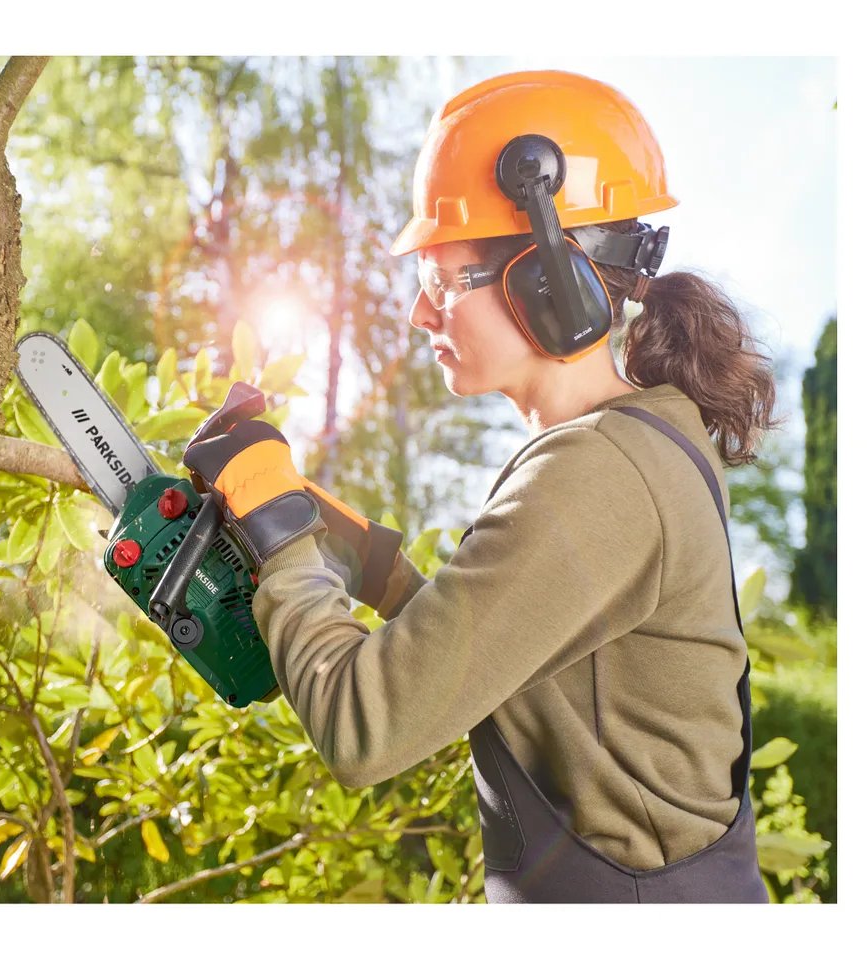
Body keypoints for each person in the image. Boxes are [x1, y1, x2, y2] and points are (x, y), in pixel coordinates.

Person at [182, 70, 780, 903]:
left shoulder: (598, 475)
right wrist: (341, 544)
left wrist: (280, 536)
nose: (421, 315)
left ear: (548, 280)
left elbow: (365, 725)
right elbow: (523, 647)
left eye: (437, 280)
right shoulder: (630, 448)